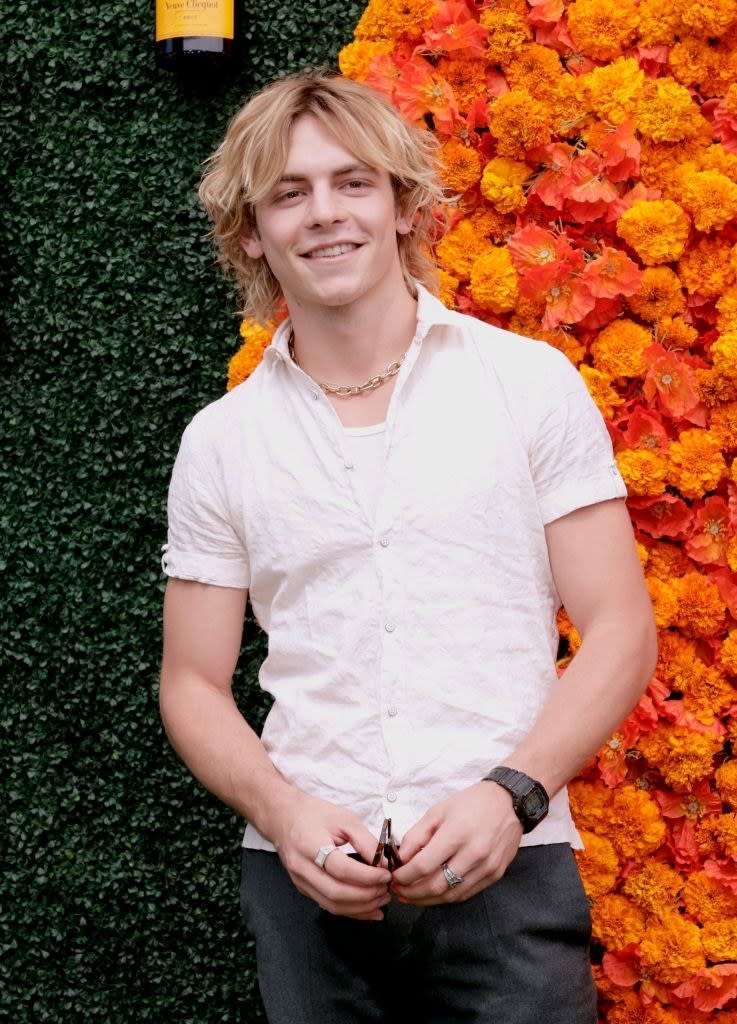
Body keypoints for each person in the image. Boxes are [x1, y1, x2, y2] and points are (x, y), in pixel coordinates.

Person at [159, 68, 658, 1024]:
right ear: (252, 231)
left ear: (400, 205)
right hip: (306, 887)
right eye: (288, 193)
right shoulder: (219, 443)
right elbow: (191, 681)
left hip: (513, 867)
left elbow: (619, 628)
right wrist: (283, 815)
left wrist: (512, 793)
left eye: (353, 182)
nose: (324, 215)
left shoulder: (528, 385)